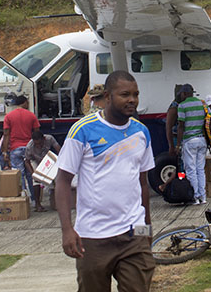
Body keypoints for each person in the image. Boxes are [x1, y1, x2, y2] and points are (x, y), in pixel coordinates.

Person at [55, 71, 155, 292]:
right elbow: (62, 181)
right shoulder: (82, 130)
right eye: (125, 94)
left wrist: (146, 228)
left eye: (136, 94)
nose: (132, 100)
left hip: (133, 235)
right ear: (108, 97)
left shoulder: (141, 132)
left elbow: (143, 184)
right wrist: (67, 230)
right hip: (92, 237)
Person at [1, 95, 40, 201]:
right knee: (30, 173)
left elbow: (6, 135)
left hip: (15, 149)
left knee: (19, 174)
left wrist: (4, 152)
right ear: (24, 102)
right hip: (29, 148)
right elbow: (37, 133)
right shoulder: (31, 115)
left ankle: (23, 198)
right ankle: (34, 199)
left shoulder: (8, 116)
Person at [176, 83, 208, 205]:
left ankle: (195, 197)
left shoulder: (182, 106)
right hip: (202, 140)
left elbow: (180, 126)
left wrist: (178, 144)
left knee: (191, 170)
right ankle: (203, 197)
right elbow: (208, 119)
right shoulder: (202, 103)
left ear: (184, 94)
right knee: (200, 169)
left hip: (189, 141)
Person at [25, 129, 61, 212]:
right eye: (36, 144)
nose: (38, 146)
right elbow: (27, 162)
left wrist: (59, 162)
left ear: (44, 139)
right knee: (36, 181)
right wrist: (34, 174)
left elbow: (59, 149)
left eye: (40, 144)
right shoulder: (29, 146)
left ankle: (56, 202)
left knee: (57, 179)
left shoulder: (49, 138)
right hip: (35, 160)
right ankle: (38, 204)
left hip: (47, 158)